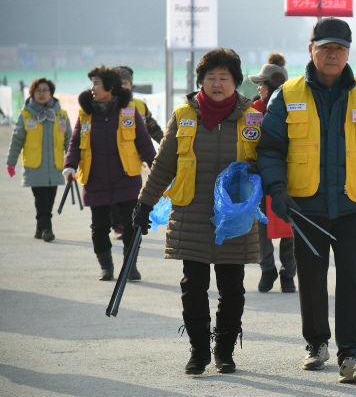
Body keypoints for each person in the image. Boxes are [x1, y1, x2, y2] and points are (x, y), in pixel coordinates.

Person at [256, 17, 356, 383]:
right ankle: (316, 343)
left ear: (348, 52)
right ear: (311, 50)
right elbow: (269, 150)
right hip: (305, 204)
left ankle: (352, 353)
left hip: (352, 205)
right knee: (311, 277)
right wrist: (276, 190)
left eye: (340, 49)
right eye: (325, 48)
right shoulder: (288, 94)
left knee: (350, 275)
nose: (332, 55)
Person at [131, 48, 261, 375]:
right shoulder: (184, 116)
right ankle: (199, 350)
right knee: (193, 286)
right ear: (200, 81)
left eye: (224, 78)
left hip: (234, 219)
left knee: (232, 289)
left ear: (236, 82)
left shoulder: (254, 118)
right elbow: (163, 166)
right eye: (211, 78)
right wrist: (144, 203)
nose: (217, 84)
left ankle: (225, 351)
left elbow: (269, 162)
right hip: (192, 214)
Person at [63, 66, 156, 281]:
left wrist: (156, 167)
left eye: (97, 83)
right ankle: (106, 266)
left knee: (133, 226)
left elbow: (144, 143)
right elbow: (76, 143)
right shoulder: (85, 114)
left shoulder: (130, 111)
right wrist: (70, 165)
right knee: (99, 228)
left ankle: (130, 266)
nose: (93, 88)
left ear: (110, 87)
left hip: (128, 179)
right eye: (92, 84)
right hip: (96, 181)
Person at [247, 53, 295, 293]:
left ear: (273, 85)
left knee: (289, 226)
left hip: (290, 178)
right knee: (261, 227)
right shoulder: (252, 110)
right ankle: (268, 270)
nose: (258, 87)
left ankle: (288, 274)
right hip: (259, 178)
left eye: (262, 83)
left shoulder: (296, 109)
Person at [6, 78, 72, 241]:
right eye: (38, 91)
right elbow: (17, 139)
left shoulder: (61, 115)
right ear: (32, 93)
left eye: (45, 90)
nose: (42, 94)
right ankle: (47, 230)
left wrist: (72, 163)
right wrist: (11, 162)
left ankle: (39, 229)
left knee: (49, 200)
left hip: (56, 166)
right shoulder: (26, 115)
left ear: (51, 93)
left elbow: (69, 141)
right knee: (41, 200)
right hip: (35, 166)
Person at [109, 65, 164, 238]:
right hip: (111, 160)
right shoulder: (107, 105)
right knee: (113, 198)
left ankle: (128, 225)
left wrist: (166, 144)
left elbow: (153, 129)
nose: (123, 86)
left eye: (126, 82)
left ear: (131, 85)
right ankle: (117, 225)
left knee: (132, 196)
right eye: (120, 82)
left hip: (133, 161)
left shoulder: (139, 105)